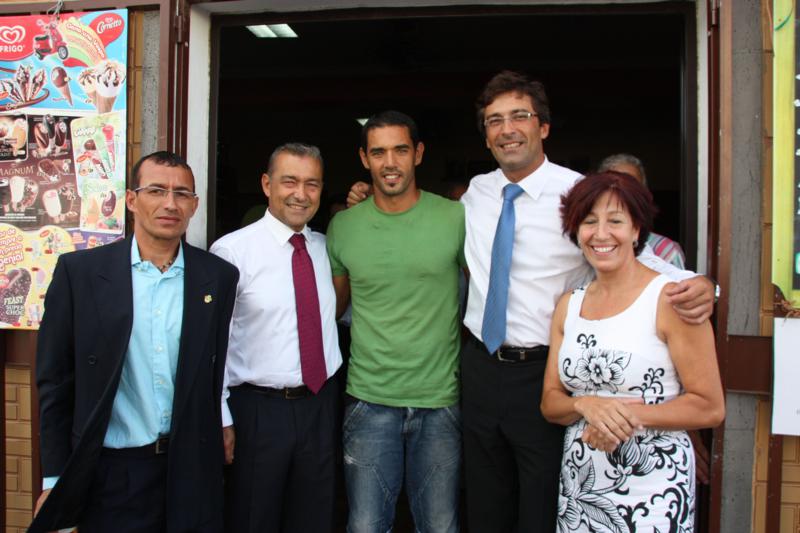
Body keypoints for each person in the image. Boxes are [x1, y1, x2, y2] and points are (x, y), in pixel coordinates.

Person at [346, 71, 715, 532]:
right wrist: (362, 196)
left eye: (519, 116)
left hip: (546, 376)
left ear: (543, 127)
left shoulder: (578, 193)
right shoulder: (475, 194)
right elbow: (412, 219)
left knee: (540, 506)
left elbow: (625, 251)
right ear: (486, 135)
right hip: (478, 368)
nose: (507, 129)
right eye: (494, 120)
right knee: (484, 503)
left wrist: (700, 284)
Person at [32, 151, 239, 533]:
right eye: (156, 190)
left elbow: (216, 366)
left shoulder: (218, 278)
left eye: (182, 194)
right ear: (131, 200)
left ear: (194, 205)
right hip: (113, 473)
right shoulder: (81, 275)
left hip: (190, 469)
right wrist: (55, 478)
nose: (169, 204)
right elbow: (56, 382)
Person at [541, 170, 724, 531]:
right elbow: (550, 402)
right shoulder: (569, 305)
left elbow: (710, 406)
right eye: (589, 221)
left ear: (637, 230)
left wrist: (623, 414)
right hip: (582, 484)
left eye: (616, 221)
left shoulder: (672, 298)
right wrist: (585, 404)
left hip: (653, 484)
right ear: (576, 231)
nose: (601, 233)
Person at [327, 111, 464, 533]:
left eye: (400, 150)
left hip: (441, 399)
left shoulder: (456, 219)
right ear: (364, 158)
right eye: (379, 152)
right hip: (369, 400)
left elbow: (488, 297)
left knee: (440, 526)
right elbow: (331, 310)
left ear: (418, 154)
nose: (390, 162)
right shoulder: (343, 226)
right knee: (366, 525)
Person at [210, 142, 342, 533]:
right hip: (257, 411)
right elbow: (214, 344)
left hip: (320, 404)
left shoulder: (324, 247)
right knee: (254, 517)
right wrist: (221, 417)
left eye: (312, 184)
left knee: (314, 517)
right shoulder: (233, 252)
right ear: (267, 184)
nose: (301, 194)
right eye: (290, 181)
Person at [598, 153, 687, 269]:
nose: (621, 194)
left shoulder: (665, 251)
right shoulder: (588, 247)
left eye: (631, 186)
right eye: (611, 186)